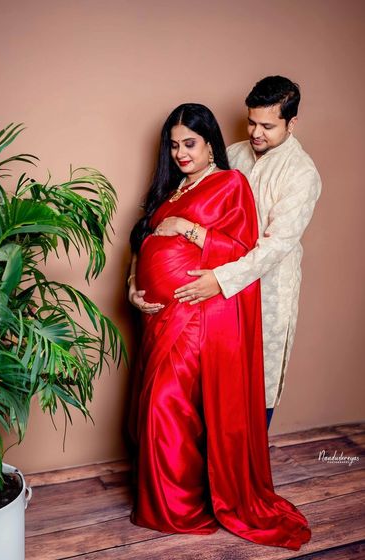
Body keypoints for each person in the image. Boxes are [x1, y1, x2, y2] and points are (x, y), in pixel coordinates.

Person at [127, 103, 311, 550]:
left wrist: (188, 229)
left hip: (198, 315)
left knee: (165, 406)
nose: (180, 154)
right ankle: (174, 505)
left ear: (210, 144)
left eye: (190, 143)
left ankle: (180, 510)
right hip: (161, 317)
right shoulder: (170, 189)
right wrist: (133, 284)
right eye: (173, 146)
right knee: (163, 410)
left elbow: (242, 247)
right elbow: (142, 244)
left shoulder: (230, 183)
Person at [174, 77, 322, 428]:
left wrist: (221, 279)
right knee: (211, 381)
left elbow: (275, 246)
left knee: (258, 383)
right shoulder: (233, 154)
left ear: (292, 123)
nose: (256, 132)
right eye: (251, 121)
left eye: (268, 126)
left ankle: (247, 473)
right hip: (214, 284)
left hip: (265, 289)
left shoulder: (302, 173)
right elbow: (193, 200)